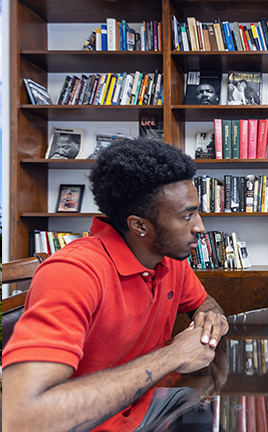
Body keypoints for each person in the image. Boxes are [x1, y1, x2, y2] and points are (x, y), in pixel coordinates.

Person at [3, 138, 230, 432]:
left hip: (151, 409)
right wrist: (173, 355)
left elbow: (205, 303)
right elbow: (23, 416)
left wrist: (211, 318)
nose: (200, 226)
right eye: (187, 215)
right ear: (140, 226)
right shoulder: (72, 272)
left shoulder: (169, 259)